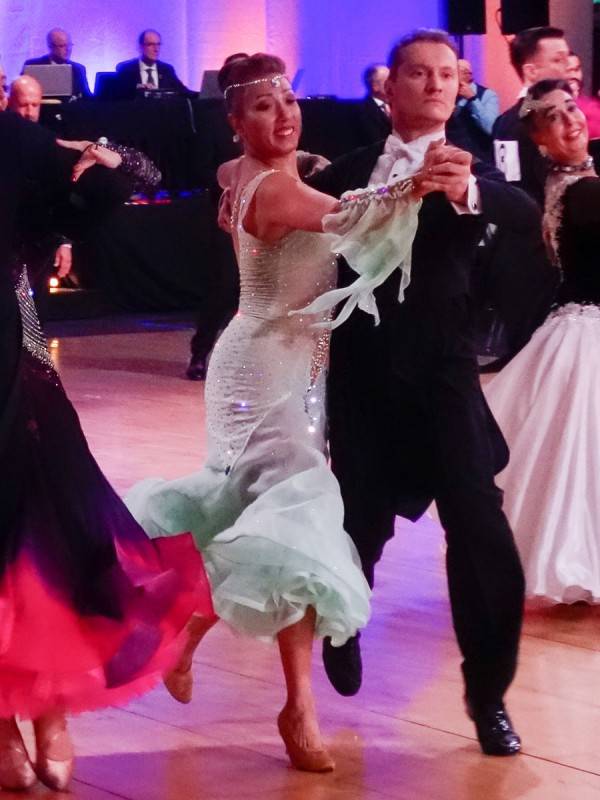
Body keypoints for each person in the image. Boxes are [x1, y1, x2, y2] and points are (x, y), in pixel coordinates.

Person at [125, 51, 454, 772]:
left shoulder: (236, 174)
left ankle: (187, 642)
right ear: (237, 122)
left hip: (266, 359)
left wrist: (295, 155)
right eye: (265, 108)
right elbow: (352, 214)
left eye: (290, 101)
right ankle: (298, 709)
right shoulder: (275, 191)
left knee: (254, 516)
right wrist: (414, 182)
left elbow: (235, 175)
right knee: (297, 521)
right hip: (272, 370)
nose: (286, 116)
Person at [305, 28, 538, 756]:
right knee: (359, 527)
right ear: (389, 87)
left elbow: (519, 238)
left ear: (460, 87)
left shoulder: (481, 182)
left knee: (481, 529)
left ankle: (489, 695)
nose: (436, 84)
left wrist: (467, 195)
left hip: (444, 381)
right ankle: (344, 624)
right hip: (365, 383)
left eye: (448, 74)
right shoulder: (342, 175)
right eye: (419, 73)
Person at [0, 113, 213, 792]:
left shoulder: (21, 144)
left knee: (51, 540)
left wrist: (98, 151)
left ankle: (52, 709)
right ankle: (4, 718)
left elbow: (139, 178)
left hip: (17, 370)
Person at [484, 79, 600, 604]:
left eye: (571, 108)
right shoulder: (583, 191)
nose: (570, 119)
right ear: (541, 141)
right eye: (553, 117)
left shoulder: (572, 184)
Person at [492, 26, 570, 204]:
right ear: (531, 71)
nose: (569, 67)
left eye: (567, 58)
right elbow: (511, 187)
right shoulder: (515, 121)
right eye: (558, 60)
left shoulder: (562, 112)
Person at [447, 58, 499, 161]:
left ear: (468, 74)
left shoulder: (487, 95)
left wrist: (473, 99)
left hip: (480, 159)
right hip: (452, 158)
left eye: (454, 71)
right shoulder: (447, 94)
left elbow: (491, 129)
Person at [114, 30, 191, 99]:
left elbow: (183, 92)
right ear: (140, 47)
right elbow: (119, 91)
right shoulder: (127, 68)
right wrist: (138, 87)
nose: (156, 49)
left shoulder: (166, 69)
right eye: (151, 44)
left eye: (158, 44)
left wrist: (202, 96)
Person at [22, 28, 91, 98]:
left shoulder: (78, 69)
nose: (68, 49)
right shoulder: (32, 65)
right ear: (50, 47)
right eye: (62, 46)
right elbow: (21, 92)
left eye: (69, 45)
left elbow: (87, 98)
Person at [356, 63, 392, 145]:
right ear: (374, 86)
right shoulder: (361, 112)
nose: (393, 85)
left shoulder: (401, 107)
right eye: (388, 81)